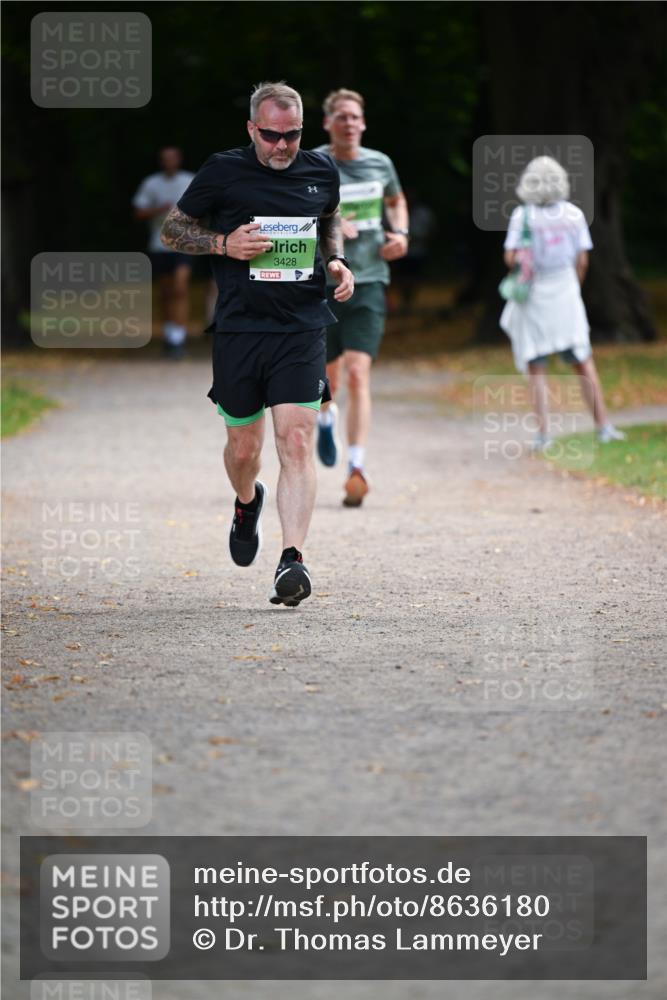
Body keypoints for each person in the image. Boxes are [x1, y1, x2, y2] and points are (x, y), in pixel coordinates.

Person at [160, 81, 354, 606]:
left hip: (302, 327)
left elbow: (329, 219)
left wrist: (336, 261)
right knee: (245, 449)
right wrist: (224, 243)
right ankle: (247, 502)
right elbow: (172, 230)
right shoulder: (223, 170)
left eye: (291, 135)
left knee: (295, 440)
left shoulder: (320, 170)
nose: (282, 146)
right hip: (241, 330)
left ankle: (293, 561)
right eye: (271, 135)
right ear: (252, 129)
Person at [314, 89, 409, 506]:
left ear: (363, 123)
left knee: (357, 373)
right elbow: (293, 213)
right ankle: (326, 418)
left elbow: (396, 199)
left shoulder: (380, 162)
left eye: (355, 117)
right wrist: (332, 226)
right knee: (329, 381)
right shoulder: (313, 163)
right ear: (327, 124)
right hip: (323, 282)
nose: (349, 123)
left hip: (370, 280)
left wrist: (400, 235)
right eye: (341, 117)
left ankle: (356, 466)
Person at [500, 156, 626, 451]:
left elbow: (510, 258)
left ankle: (543, 434)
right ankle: (603, 426)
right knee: (582, 360)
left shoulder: (523, 216)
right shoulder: (574, 215)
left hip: (534, 294)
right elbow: (582, 260)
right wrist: (574, 288)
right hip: (566, 291)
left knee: (535, 365)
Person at [132, 147, 195, 359]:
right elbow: (139, 212)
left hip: (184, 244)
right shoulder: (151, 183)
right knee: (166, 292)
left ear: (178, 160)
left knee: (181, 288)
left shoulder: (190, 180)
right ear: (161, 161)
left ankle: (179, 338)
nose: (169, 162)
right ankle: (170, 335)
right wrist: (159, 210)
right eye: (165, 159)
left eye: (173, 158)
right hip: (159, 245)